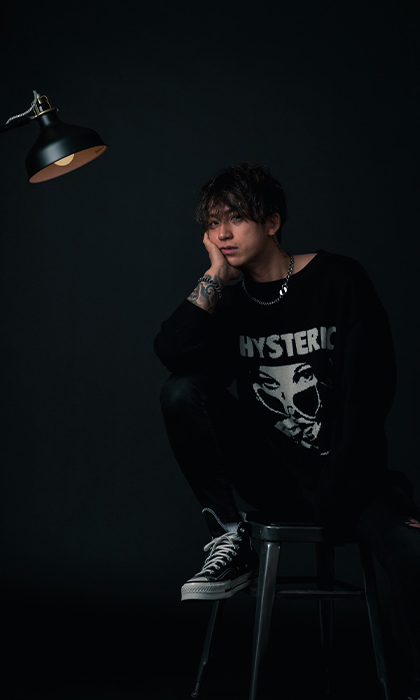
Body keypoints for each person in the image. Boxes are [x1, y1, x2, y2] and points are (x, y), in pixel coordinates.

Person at [154, 162, 420, 699]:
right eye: (212, 223)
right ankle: (230, 537)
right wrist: (214, 278)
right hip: (277, 477)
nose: (222, 234)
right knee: (181, 391)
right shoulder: (229, 305)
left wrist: (348, 492)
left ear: (272, 222)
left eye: (235, 219)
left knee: (412, 553)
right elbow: (172, 353)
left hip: (351, 474)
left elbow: (370, 391)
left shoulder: (339, 279)